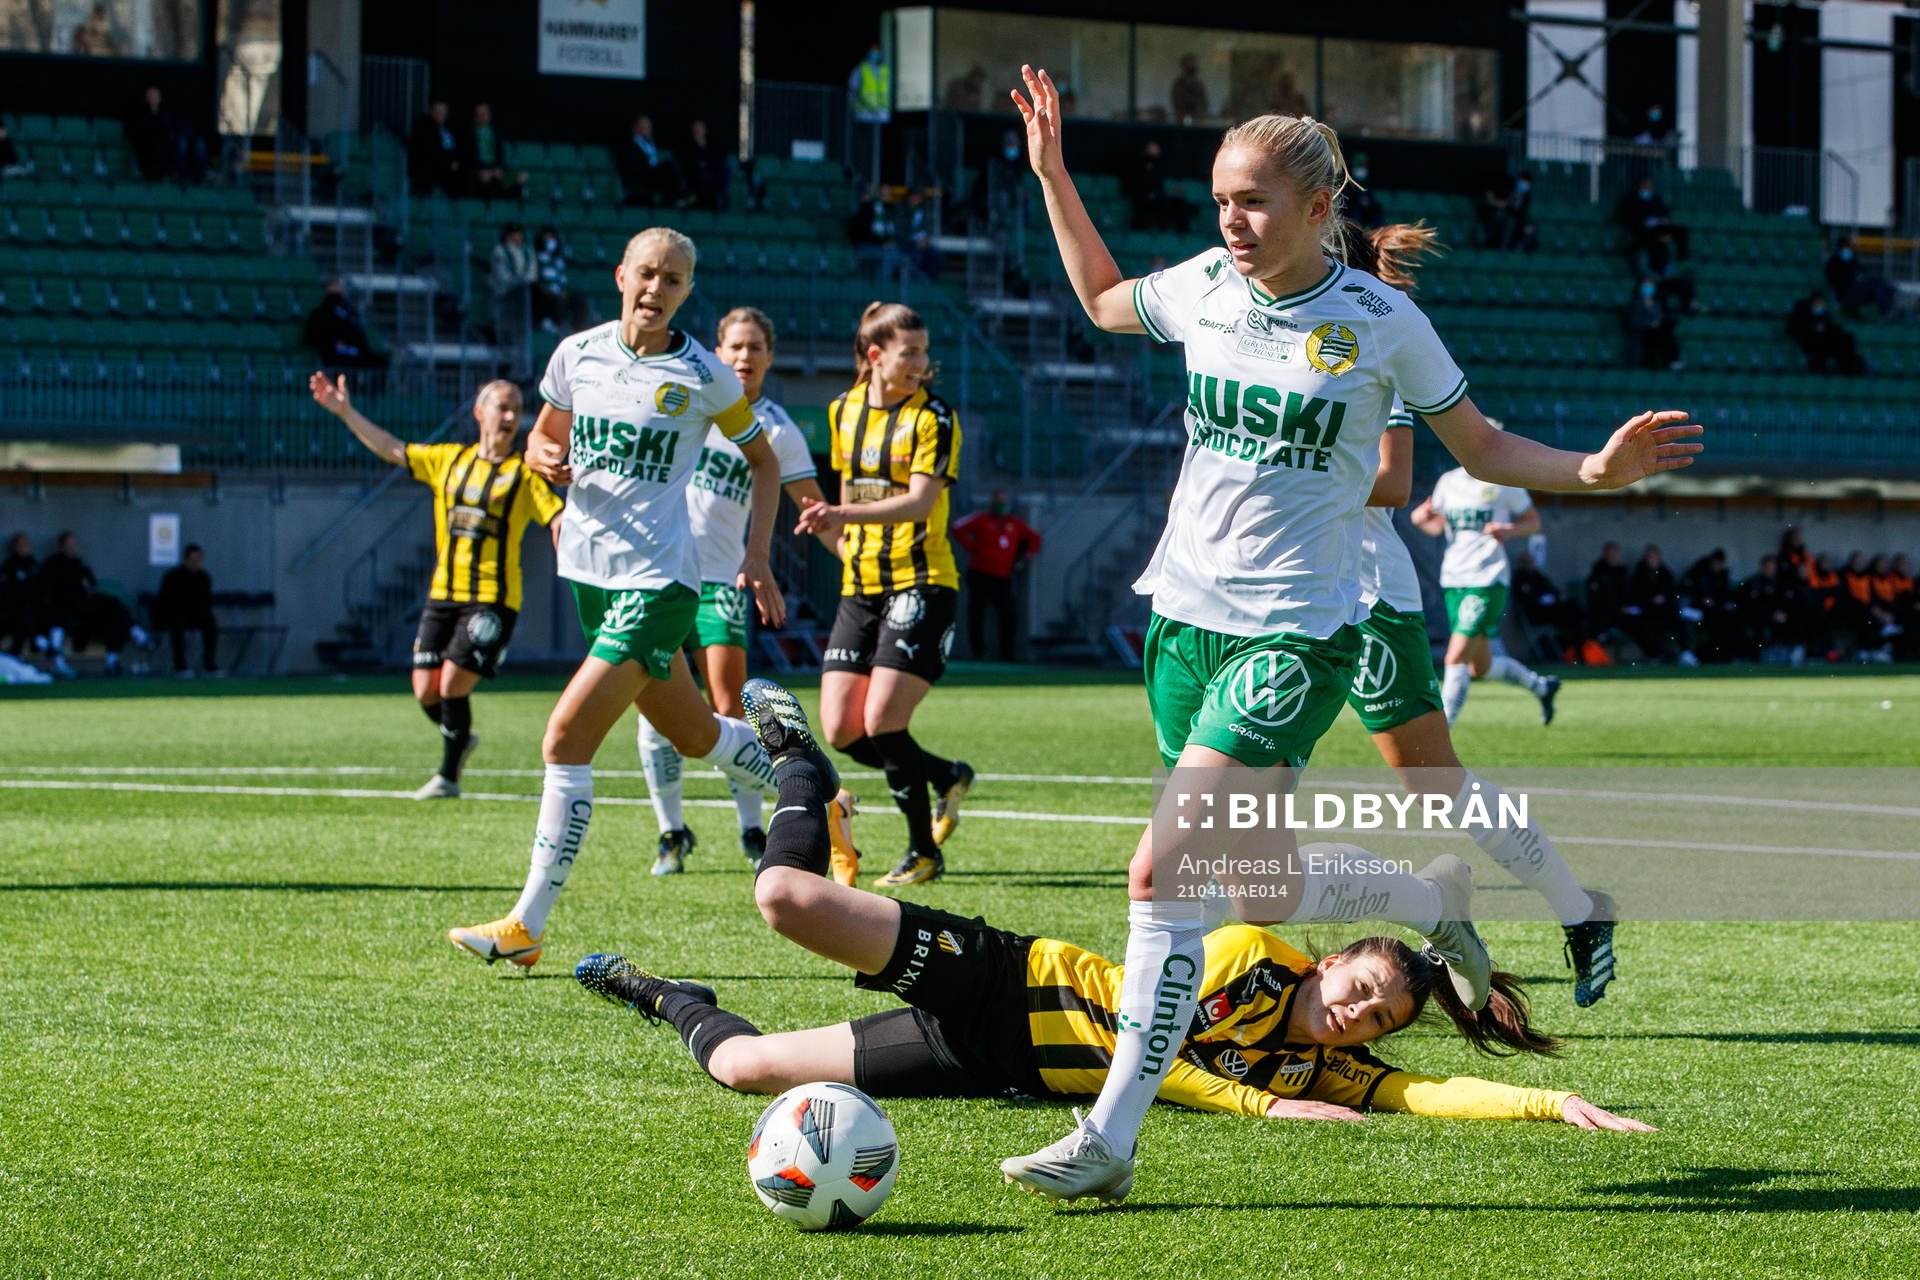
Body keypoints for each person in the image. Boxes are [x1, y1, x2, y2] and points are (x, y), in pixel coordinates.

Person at [1005, 64, 1699, 1200]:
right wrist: (1053, 175)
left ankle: (1109, 1137)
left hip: (1294, 637)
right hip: (1181, 626)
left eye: (1256, 200)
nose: (1232, 219)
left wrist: (1594, 470)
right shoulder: (1202, 288)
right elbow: (1098, 298)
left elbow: (1478, 446)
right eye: (1222, 197)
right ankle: (1430, 901)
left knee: (1160, 871)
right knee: (1255, 891)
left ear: (1321, 207)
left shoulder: (1381, 321)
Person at [575, 700, 1652, 1135]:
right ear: (1326, 962)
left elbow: (1430, 1088)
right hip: (1011, 980)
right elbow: (1164, 1057)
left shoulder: (1323, 1066)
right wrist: (1262, 1111)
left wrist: (1551, 1101)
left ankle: (665, 994)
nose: (1358, 1017)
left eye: (1372, 1022)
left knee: (743, 1067)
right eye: (1360, 987)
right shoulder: (1255, 960)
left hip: (988, 1058)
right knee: (784, 897)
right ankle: (798, 760)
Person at [445, 228, 790, 969]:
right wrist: (543, 457)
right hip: (591, 580)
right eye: (646, 274)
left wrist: (758, 556)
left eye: (672, 280)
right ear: (621, 276)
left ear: (686, 292)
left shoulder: (705, 375)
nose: (656, 289)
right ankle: (814, 787)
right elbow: (545, 438)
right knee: (699, 736)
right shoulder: (577, 353)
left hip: (659, 585)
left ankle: (526, 925)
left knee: (565, 739)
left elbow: (763, 463)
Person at [636, 306, 839, 875]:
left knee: (730, 706)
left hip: (724, 584)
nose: (745, 357)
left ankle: (753, 828)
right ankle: (671, 832)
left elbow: (811, 508)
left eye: (755, 348)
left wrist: (855, 560)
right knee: (654, 711)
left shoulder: (775, 428)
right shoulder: (692, 406)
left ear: (769, 358)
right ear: (718, 353)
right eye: (735, 347)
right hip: (662, 580)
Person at [311, 375, 563, 798]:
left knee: (451, 685)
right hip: (443, 594)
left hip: (493, 599)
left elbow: (553, 512)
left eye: (516, 410)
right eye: (501, 407)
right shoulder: (448, 461)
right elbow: (393, 448)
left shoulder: (523, 473)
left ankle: (448, 776)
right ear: (479, 413)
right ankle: (459, 735)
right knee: (424, 690)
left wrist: (563, 530)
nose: (509, 417)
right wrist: (345, 412)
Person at [793, 302, 973, 889]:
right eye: (910, 353)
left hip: (921, 582)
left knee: (882, 720)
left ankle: (923, 851)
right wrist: (840, 541)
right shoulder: (843, 410)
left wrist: (838, 512)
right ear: (875, 357)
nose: (923, 363)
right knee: (843, 730)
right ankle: (946, 774)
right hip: (860, 586)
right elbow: (847, 490)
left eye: (923, 352)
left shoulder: (935, 419)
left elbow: (921, 501)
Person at [1409, 453, 1561, 724]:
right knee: (1480, 667)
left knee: (1454, 655)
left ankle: (1441, 733)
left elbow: (1533, 522)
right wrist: (1420, 520)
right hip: (1454, 579)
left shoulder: (1503, 481)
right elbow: (1439, 527)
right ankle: (1542, 687)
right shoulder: (1448, 481)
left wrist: (1509, 530)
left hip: (1488, 578)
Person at [951, 490, 1040, 661]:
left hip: (1002, 576)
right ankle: (978, 652)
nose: (1002, 505)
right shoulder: (982, 519)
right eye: (999, 501)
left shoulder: (1015, 524)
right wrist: (973, 547)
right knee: (977, 613)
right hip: (980, 573)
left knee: (1007, 614)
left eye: (1005, 501)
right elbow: (957, 527)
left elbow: (1034, 538)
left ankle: (1006, 652)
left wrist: (1028, 555)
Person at [37, 531, 136, 677]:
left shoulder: (80, 564)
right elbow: (46, 590)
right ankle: (57, 663)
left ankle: (114, 659)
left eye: (73, 545)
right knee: (58, 621)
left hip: (86, 611)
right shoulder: (52, 564)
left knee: (114, 612)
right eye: (68, 544)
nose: (71, 548)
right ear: (61, 546)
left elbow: (92, 585)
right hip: (63, 610)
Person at [156, 544, 219, 677]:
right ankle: (180, 666)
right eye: (193, 560)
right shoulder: (173, 577)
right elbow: (166, 601)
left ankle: (209, 664)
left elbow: (205, 601)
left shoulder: (204, 578)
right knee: (176, 623)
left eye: (199, 560)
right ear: (185, 560)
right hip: (175, 616)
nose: (196, 563)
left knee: (210, 623)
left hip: (196, 616)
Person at [1626, 543, 1690, 664]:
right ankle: (1656, 655)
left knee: (1678, 620)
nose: (1652, 560)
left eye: (1654, 557)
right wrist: (1650, 600)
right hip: (1647, 612)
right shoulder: (1638, 575)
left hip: (1665, 611)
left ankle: (1685, 652)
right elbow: (1634, 596)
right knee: (1643, 627)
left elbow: (1673, 593)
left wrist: (1664, 598)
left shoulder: (1665, 573)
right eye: (1649, 557)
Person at [303, 277, 386, 369]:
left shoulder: (347, 311)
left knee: (380, 360)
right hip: (333, 354)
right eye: (335, 286)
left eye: (339, 286)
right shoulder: (321, 313)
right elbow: (313, 337)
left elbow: (356, 333)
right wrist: (332, 344)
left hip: (354, 351)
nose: (339, 289)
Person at [1738, 554, 1806, 664]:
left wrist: (1784, 614)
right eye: (1768, 567)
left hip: (1783, 618)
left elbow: (1788, 602)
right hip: (1761, 618)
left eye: (1773, 567)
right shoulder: (1753, 583)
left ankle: (1794, 652)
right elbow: (1751, 606)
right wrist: (1771, 614)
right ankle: (1760, 656)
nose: (1770, 570)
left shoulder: (1782, 583)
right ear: (1762, 567)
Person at [1680, 548, 1740, 663]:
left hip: (1716, 612)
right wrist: (1702, 600)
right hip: (1697, 610)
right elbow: (1687, 590)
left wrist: (1720, 604)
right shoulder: (1698, 573)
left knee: (1728, 622)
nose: (1717, 566)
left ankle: (1726, 655)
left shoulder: (1723, 576)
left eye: (1720, 564)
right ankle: (1697, 655)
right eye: (1715, 563)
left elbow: (1726, 596)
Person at [489, 224, 539, 358]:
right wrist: (516, 282)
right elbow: (502, 275)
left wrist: (525, 282)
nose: (518, 237)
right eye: (515, 234)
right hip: (507, 292)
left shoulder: (528, 251)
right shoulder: (500, 251)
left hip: (526, 290)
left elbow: (532, 273)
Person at [1786, 292, 1865, 376]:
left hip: (1825, 341)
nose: (1820, 305)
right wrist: (1813, 328)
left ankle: (1850, 367)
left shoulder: (1824, 315)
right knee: (1819, 344)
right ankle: (1818, 366)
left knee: (1846, 339)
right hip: (1809, 340)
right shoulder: (1801, 313)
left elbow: (1829, 327)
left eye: (1822, 303)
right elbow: (1795, 328)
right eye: (1818, 302)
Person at [462, 103, 526, 201]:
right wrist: (484, 170)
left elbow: (501, 155)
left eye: (485, 113)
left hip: (496, 168)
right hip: (479, 169)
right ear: (475, 117)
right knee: (485, 177)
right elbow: (468, 157)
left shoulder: (496, 132)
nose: (483, 116)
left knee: (522, 176)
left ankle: (511, 210)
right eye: (480, 114)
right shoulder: (469, 133)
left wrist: (498, 168)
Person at [1124, 140, 1191, 234]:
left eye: (1155, 151)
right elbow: (1133, 187)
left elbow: (1165, 188)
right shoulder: (1135, 168)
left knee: (1179, 206)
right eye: (1150, 151)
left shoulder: (1163, 168)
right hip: (1141, 201)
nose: (1152, 155)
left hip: (1160, 200)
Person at [617, 115, 683, 208]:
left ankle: (675, 198)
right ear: (636, 128)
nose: (647, 129)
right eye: (644, 126)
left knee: (670, 162)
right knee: (667, 169)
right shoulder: (630, 145)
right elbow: (632, 166)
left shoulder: (651, 144)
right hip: (639, 177)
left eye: (648, 126)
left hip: (652, 176)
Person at [1613, 176, 1687, 259]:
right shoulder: (1629, 199)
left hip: (1658, 227)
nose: (1648, 187)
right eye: (1645, 185)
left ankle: (1683, 259)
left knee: (1680, 232)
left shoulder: (1656, 199)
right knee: (1652, 240)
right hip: (1640, 229)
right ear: (1640, 185)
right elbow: (1624, 216)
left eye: (1650, 185)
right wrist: (1641, 222)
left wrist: (1663, 220)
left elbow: (1664, 213)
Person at [1824, 236, 1897, 319]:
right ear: (1841, 248)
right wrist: (1854, 277)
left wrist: (1859, 276)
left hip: (1856, 289)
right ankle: (1889, 302)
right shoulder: (1834, 262)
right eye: (1848, 247)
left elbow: (1861, 272)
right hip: (1846, 292)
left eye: (1850, 248)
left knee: (1878, 289)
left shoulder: (1852, 260)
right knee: (1875, 281)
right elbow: (1839, 280)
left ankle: (1887, 308)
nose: (1849, 250)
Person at [532, 226, 586, 333]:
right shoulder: (535, 258)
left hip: (559, 292)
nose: (550, 242)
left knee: (579, 300)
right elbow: (535, 280)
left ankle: (579, 330)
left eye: (552, 238)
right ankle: (556, 325)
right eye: (547, 238)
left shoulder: (558, 260)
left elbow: (562, 280)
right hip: (543, 294)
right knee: (556, 299)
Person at [1624, 278, 1681, 370]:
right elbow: (1635, 321)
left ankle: (1673, 360)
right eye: (1646, 285)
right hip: (1644, 332)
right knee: (1664, 332)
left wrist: (1657, 323)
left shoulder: (1657, 304)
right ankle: (1672, 360)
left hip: (1657, 331)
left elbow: (1660, 317)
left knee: (1666, 330)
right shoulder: (1635, 303)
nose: (1648, 288)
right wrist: (1650, 324)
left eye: (1651, 286)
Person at [407, 101, 461, 198]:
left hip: (448, 171)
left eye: (443, 112)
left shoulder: (448, 128)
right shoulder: (424, 128)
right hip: (429, 170)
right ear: (432, 112)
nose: (441, 114)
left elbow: (452, 148)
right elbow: (429, 151)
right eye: (438, 111)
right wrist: (448, 163)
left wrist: (454, 162)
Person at [1583, 542, 1630, 651]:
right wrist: (1617, 607)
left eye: (1615, 554)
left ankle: (1656, 655)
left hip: (1623, 613)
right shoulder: (1597, 573)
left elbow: (1627, 594)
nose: (1613, 557)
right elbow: (1595, 598)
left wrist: (1625, 607)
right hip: (1603, 613)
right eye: (1610, 554)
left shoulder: (1622, 573)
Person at [0, 532, 40, 657]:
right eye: (20, 545)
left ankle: (39, 643)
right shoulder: (9, 566)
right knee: (21, 618)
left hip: (34, 609)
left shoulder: (34, 564)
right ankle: (18, 654)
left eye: (25, 544)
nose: (23, 547)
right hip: (13, 611)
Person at [1478, 170, 1535, 252]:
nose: (1524, 185)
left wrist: (1502, 204)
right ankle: (1489, 245)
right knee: (1497, 218)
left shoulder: (1526, 197)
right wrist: (1496, 202)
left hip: (1517, 219)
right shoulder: (1510, 188)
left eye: (1527, 183)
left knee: (1526, 226)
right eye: (1522, 181)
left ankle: (1508, 248)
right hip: (1501, 215)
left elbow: (1516, 209)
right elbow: (1495, 200)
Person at [684, 119, 731, 210]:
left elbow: (718, 163)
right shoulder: (687, 147)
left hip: (713, 178)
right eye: (696, 129)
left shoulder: (713, 146)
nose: (698, 131)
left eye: (700, 128)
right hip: (695, 178)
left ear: (705, 130)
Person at [891, 188, 939, 276]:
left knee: (936, 254)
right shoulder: (900, 209)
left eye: (919, 198)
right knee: (917, 255)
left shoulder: (922, 210)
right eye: (914, 197)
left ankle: (927, 281)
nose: (916, 200)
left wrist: (925, 239)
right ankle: (912, 280)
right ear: (909, 197)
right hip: (904, 243)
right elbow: (899, 231)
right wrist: (915, 242)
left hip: (921, 242)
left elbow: (927, 227)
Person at [849, 42, 891, 124]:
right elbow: (852, 90)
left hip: (882, 114)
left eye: (877, 51)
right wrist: (852, 108)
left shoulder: (885, 70)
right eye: (872, 51)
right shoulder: (860, 69)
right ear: (867, 52)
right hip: (864, 113)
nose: (875, 53)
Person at [1170, 53, 1208, 124]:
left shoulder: (1198, 85)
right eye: (1189, 65)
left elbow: (1203, 104)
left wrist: (1200, 116)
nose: (1192, 66)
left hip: (1198, 122)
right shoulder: (1179, 85)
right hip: (1182, 123)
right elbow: (1178, 105)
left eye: (1193, 64)